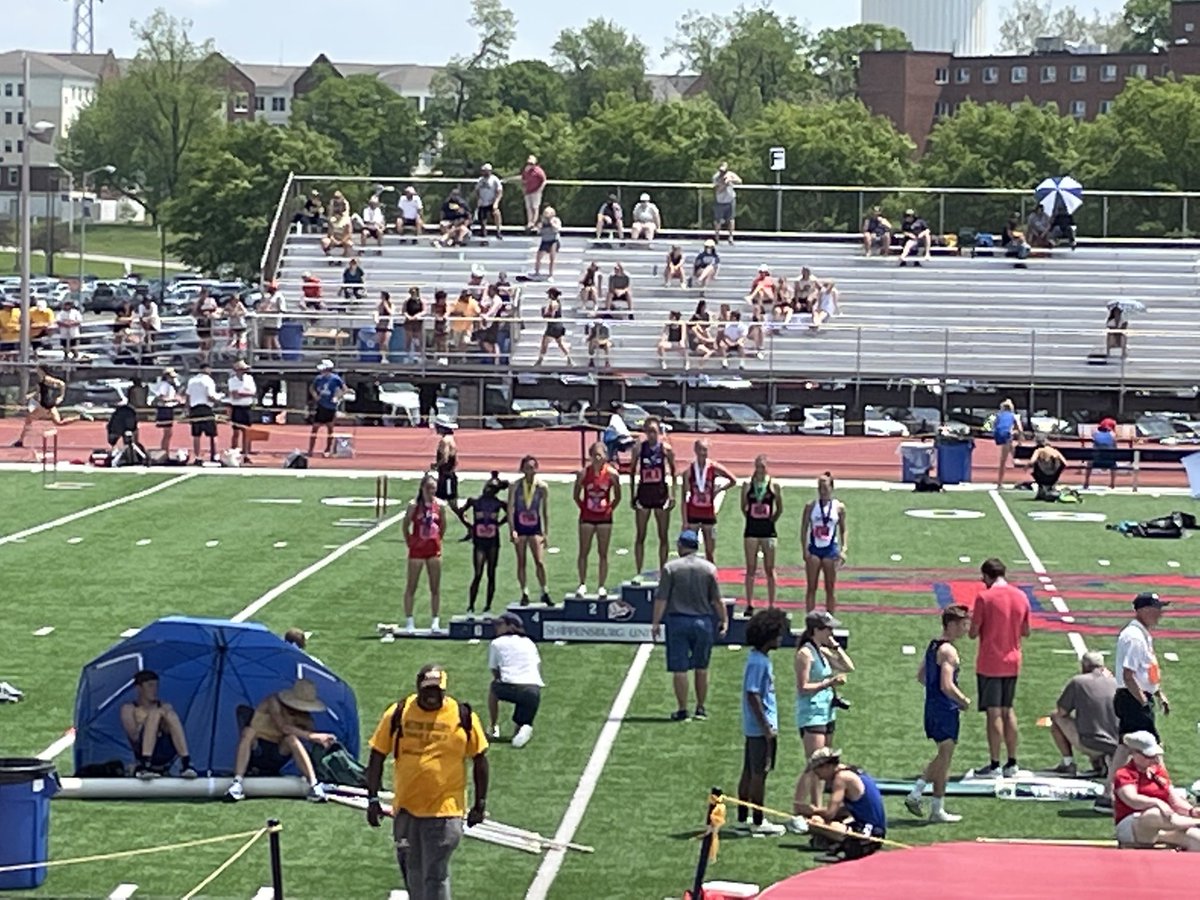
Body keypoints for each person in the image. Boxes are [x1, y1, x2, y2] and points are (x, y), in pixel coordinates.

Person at [364, 665, 489, 898]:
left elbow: (480, 760)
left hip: (445, 811)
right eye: (427, 690)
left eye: (437, 690)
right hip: (406, 810)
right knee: (412, 871)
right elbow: (377, 754)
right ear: (417, 688)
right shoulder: (399, 713)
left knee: (435, 873)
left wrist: (480, 804)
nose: (432, 695)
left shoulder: (462, 716)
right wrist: (372, 799)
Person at [651, 529, 729, 722]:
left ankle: (682, 709)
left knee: (680, 668)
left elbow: (661, 599)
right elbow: (717, 599)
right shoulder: (708, 568)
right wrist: (724, 619)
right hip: (702, 621)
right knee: (702, 667)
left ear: (680, 546)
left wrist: (655, 622)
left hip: (678, 621)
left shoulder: (671, 568)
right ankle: (700, 708)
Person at [906, 605, 972, 823]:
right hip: (945, 709)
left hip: (932, 707)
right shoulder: (948, 651)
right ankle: (922, 797)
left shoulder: (934, 646)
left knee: (944, 757)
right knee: (945, 757)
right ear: (951, 625)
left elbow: (921, 676)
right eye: (963, 624)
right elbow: (947, 685)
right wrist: (962, 700)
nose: (966, 628)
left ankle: (933, 805)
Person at [969, 558, 1031, 778]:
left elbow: (973, 632)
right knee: (1008, 710)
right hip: (1013, 660)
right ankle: (1012, 761)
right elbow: (1026, 630)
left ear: (987, 576)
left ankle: (994, 764)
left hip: (990, 661)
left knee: (993, 712)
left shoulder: (984, 597)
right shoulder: (1021, 596)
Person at [225, 679, 333, 802]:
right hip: (257, 750)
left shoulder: (305, 717)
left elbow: (307, 733)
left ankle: (314, 785)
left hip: (277, 755)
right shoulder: (273, 701)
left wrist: (321, 739)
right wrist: (312, 736)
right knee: (249, 732)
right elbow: (283, 727)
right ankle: (237, 783)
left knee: (292, 739)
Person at [736, 608, 790, 837]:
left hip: (754, 726)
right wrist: (767, 728)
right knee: (760, 773)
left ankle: (742, 818)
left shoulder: (757, 658)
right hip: (761, 728)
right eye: (777, 635)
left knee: (749, 771)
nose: (780, 639)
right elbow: (753, 694)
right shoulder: (760, 663)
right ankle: (757, 821)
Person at [1109, 593, 1171, 790]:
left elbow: (1146, 670)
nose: (1160, 614)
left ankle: (1108, 791)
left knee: (1125, 745)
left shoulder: (1141, 634)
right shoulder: (1134, 637)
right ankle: (1165, 789)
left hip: (1135, 696)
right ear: (1143, 610)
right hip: (1133, 697)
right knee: (1152, 745)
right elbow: (1129, 675)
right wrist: (1143, 702)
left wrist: (1158, 693)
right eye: (1156, 609)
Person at [795, 611, 855, 811]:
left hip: (827, 712)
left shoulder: (822, 650)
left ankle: (815, 807)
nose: (832, 631)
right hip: (812, 714)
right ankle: (798, 808)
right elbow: (802, 687)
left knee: (823, 767)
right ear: (817, 630)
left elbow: (848, 667)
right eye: (828, 628)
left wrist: (836, 646)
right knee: (813, 766)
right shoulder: (805, 653)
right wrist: (829, 682)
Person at [1051, 650, 1119, 807]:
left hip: (1092, 741)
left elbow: (1062, 712)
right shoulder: (1115, 682)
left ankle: (1068, 763)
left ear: (1084, 666)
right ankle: (1101, 763)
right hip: (1117, 745)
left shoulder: (1078, 682)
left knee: (1056, 717)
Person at [1112, 731, 1200, 850]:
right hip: (1134, 826)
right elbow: (1132, 799)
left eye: (1155, 756)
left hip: (1164, 825)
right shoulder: (1124, 774)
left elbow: (1174, 800)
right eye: (1149, 756)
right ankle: (1194, 823)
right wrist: (1157, 802)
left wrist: (1191, 811)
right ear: (1135, 754)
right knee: (1153, 814)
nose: (1154, 760)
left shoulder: (1158, 772)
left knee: (1196, 839)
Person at [797, 747, 888, 861]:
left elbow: (830, 813)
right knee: (821, 819)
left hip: (869, 833)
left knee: (815, 822)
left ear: (827, 766)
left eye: (817, 770)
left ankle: (835, 842)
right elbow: (846, 809)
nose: (818, 776)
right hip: (873, 827)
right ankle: (830, 840)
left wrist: (810, 810)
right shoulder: (852, 771)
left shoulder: (841, 779)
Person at [119, 670, 197, 779]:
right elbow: (134, 737)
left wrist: (160, 720)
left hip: (164, 749)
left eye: (156, 686)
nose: (154, 690)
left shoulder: (165, 706)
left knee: (169, 715)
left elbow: (170, 725)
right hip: (143, 751)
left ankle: (186, 763)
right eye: (150, 686)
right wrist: (144, 722)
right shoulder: (129, 708)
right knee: (155, 714)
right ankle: (146, 765)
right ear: (139, 688)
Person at [631, 417, 677, 581]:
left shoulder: (665, 449)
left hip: (660, 494)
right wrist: (633, 494)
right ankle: (638, 572)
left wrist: (673, 494)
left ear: (659, 432)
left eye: (654, 431)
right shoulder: (639, 448)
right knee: (640, 535)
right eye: (648, 431)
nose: (651, 435)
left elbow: (673, 471)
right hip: (644, 493)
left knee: (662, 535)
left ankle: (662, 571)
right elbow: (631, 471)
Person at [574, 441, 622, 598]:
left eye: (600, 455)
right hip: (587, 517)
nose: (597, 458)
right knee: (584, 551)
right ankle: (582, 583)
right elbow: (576, 495)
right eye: (594, 455)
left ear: (606, 456)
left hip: (604, 518)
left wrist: (609, 509)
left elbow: (618, 496)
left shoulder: (612, 474)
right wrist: (583, 508)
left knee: (603, 552)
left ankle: (601, 585)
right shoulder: (584, 473)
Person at [488, 612, 543, 747]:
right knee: (520, 728)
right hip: (533, 690)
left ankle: (493, 727)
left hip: (511, 686)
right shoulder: (529, 643)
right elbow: (536, 665)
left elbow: (495, 671)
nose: (496, 628)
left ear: (510, 626)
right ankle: (523, 728)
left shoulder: (497, 643)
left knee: (493, 688)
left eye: (500, 624)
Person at [457, 472, 509, 614]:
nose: (487, 490)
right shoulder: (474, 501)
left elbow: (511, 513)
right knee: (478, 573)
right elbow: (461, 512)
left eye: (491, 488)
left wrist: (498, 524)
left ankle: (487, 607)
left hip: (493, 541)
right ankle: (471, 606)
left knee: (491, 574)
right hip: (479, 541)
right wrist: (469, 526)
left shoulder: (498, 503)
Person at [403, 473, 448, 635]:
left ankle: (435, 620)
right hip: (417, 549)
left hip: (433, 549)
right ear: (422, 488)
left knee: (435, 587)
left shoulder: (440, 505)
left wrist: (437, 540)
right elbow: (405, 525)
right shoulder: (414, 505)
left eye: (434, 488)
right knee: (411, 586)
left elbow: (443, 526)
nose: (431, 491)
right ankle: (409, 621)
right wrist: (410, 542)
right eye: (428, 488)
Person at [681, 439, 735, 562]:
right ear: (695, 450)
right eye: (700, 449)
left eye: (705, 450)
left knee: (710, 552)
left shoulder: (713, 467)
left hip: (708, 515)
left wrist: (719, 490)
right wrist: (685, 521)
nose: (702, 453)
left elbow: (733, 480)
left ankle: (711, 579)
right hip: (693, 514)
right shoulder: (689, 471)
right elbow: (684, 498)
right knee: (689, 552)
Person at [510, 455, 553, 607]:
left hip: (535, 527)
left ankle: (544, 591)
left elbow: (545, 510)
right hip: (520, 526)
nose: (531, 470)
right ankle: (525, 592)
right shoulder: (515, 486)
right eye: (527, 467)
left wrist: (546, 533)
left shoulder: (542, 487)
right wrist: (512, 530)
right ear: (522, 469)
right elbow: (511, 508)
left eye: (533, 467)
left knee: (539, 561)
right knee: (521, 561)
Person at [801, 473, 847, 613]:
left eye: (825, 487)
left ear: (831, 488)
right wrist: (805, 550)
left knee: (830, 588)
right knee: (811, 587)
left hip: (830, 550)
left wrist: (844, 548)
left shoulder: (838, 507)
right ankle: (810, 619)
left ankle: (830, 620)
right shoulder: (811, 506)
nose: (823, 491)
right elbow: (804, 528)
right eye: (820, 488)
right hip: (814, 549)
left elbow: (843, 529)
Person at [742, 454, 782, 615]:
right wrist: (752, 518)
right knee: (751, 568)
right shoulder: (747, 484)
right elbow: (743, 506)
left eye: (762, 467)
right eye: (757, 466)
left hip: (768, 531)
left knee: (769, 568)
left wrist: (772, 520)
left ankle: (772, 604)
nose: (760, 470)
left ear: (766, 467)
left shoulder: (774, 485)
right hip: (751, 530)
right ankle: (750, 603)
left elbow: (779, 507)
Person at [307, 359, 345, 458]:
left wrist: (337, 397)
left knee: (330, 429)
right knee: (315, 428)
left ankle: (327, 449)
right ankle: (310, 450)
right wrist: (315, 395)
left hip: (330, 407)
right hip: (321, 406)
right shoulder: (318, 379)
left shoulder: (335, 379)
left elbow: (344, 389)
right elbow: (312, 388)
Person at [185, 362, 220, 464]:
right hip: (206, 408)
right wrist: (218, 401)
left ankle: (197, 456)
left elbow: (188, 396)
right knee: (212, 434)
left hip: (195, 408)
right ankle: (214, 455)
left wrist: (187, 408)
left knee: (196, 435)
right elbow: (210, 396)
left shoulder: (192, 380)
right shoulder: (208, 381)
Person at [534, 288, 572, 367]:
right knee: (560, 343)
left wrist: (544, 313)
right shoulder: (558, 302)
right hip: (558, 324)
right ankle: (569, 359)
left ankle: (539, 361)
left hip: (553, 325)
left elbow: (551, 315)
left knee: (544, 343)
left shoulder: (553, 303)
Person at [227, 359, 257, 459]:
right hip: (237, 408)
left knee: (247, 432)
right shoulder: (232, 380)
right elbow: (235, 395)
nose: (243, 371)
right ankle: (233, 453)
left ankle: (246, 454)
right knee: (236, 432)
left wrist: (242, 394)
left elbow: (253, 392)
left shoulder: (249, 379)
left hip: (247, 407)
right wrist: (245, 393)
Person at [150, 367, 181, 454]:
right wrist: (174, 400)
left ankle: (165, 451)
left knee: (168, 433)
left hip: (169, 408)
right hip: (164, 409)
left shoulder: (171, 386)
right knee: (167, 433)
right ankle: (164, 451)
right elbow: (161, 398)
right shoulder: (164, 385)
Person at [1084, 416, 1120, 489]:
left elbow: (1094, 447)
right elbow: (1115, 449)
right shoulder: (1113, 436)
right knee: (1114, 463)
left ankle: (1086, 483)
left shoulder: (1095, 435)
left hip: (1096, 461)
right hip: (1109, 462)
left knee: (1089, 462)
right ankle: (1112, 484)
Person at [431, 415, 458, 506]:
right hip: (450, 474)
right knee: (451, 501)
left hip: (446, 476)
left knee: (445, 501)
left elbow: (445, 458)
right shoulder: (451, 439)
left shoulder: (445, 441)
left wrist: (436, 465)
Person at [1029, 435, 1067, 500]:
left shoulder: (1038, 450)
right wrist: (1058, 471)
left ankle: (1041, 490)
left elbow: (1032, 461)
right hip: (1054, 477)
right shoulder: (1055, 451)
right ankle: (1051, 487)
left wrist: (1026, 467)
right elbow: (1065, 464)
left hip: (1042, 476)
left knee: (1036, 464)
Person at [712, 162, 742, 243]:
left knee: (731, 219)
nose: (722, 173)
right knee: (718, 220)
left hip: (730, 200)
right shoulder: (716, 177)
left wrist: (731, 180)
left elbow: (740, 181)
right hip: (720, 201)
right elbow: (718, 190)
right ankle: (717, 237)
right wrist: (724, 184)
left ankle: (731, 237)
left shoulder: (730, 174)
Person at [473, 163, 504, 240]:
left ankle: (498, 231)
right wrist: (479, 199)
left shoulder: (494, 179)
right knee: (481, 216)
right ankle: (483, 231)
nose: (485, 172)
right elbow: (477, 190)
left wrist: (496, 202)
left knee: (496, 213)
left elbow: (500, 191)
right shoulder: (480, 180)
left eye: (486, 171)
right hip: (483, 202)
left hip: (492, 202)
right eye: (483, 171)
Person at [993, 399, 1019, 487]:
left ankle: (1000, 482)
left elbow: (992, 425)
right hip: (1006, 436)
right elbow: (1020, 428)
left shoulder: (998, 415)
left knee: (1010, 456)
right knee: (1003, 460)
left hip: (1000, 435)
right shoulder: (1014, 416)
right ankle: (999, 483)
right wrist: (1018, 436)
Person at [521, 155, 547, 231]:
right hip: (528, 191)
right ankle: (529, 222)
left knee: (535, 207)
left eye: (532, 163)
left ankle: (533, 222)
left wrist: (540, 189)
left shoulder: (538, 171)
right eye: (529, 163)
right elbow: (523, 180)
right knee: (528, 207)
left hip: (536, 191)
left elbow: (544, 180)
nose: (530, 165)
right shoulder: (526, 170)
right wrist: (523, 189)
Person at [375, 290, 395, 365]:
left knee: (385, 342)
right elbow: (377, 313)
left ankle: (386, 357)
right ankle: (382, 357)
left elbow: (391, 313)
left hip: (387, 326)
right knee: (380, 342)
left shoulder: (391, 304)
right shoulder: (379, 305)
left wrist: (386, 306)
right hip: (380, 325)